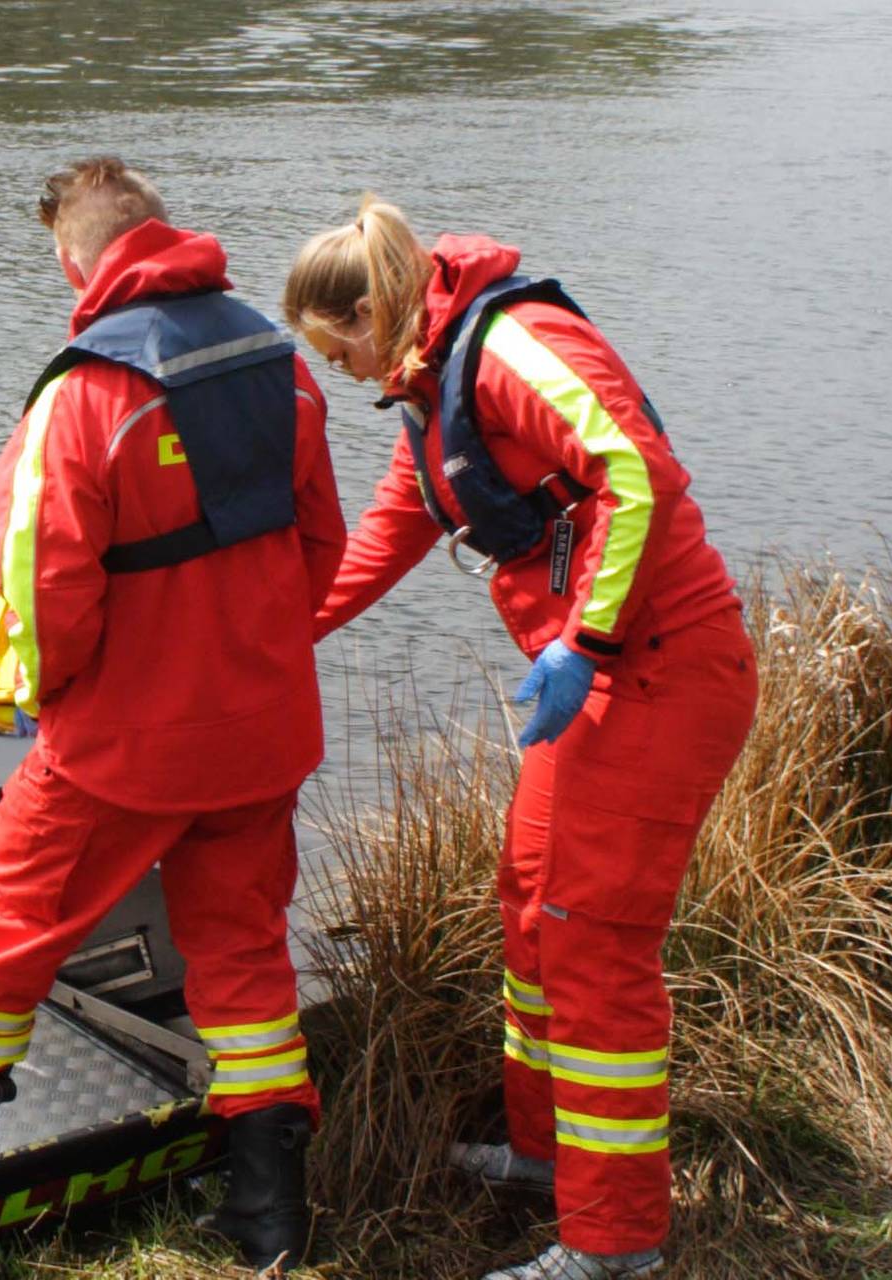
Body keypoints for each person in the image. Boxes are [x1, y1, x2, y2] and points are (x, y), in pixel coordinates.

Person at [0, 158, 347, 1274]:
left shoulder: (83, 394)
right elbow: (320, 545)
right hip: (263, 727)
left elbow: (40, 590)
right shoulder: (283, 369)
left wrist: (54, 697)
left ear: (73, 259)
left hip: (124, 739)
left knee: (14, 913)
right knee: (244, 947)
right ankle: (269, 1208)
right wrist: (255, 655)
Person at [283, 196, 757, 1280]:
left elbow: (637, 473)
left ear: (372, 312)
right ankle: (552, 1158)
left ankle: (614, 1241)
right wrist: (251, 642)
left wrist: (585, 640)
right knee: (534, 906)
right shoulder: (429, 397)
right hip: (597, 685)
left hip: (661, 671)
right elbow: (373, 549)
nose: (344, 374)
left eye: (338, 350)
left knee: (593, 942)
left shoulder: (512, 346)